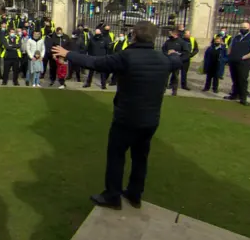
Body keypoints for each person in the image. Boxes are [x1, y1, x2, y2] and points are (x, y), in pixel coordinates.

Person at [51, 21, 182, 209]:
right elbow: (176, 61)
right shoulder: (163, 59)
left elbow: (96, 62)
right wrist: (174, 54)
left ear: (134, 36)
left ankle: (113, 195)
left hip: (127, 118)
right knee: (140, 157)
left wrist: (68, 54)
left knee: (116, 155)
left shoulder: (127, 56)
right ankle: (135, 194)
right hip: (150, 120)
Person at [224, 22, 250, 106]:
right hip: (233, 61)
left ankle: (243, 98)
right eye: (241, 27)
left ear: (249, 28)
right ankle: (234, 94)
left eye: (245, 27)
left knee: (242, 80)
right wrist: (229, 55)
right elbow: (230, 47)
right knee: (235, 79)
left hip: (244, 62)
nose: (243, 29)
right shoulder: (236, 37)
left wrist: (244, 57)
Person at [161, 29, 190, 96]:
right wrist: (167, 53)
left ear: (175, 34)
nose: (169, 34)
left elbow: (186, 53)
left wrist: (177, 53)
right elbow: (163, 50)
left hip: (176, 62)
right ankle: (163, 89)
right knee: (165, 76)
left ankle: (174, 91)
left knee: (175, 76)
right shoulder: (168, 42)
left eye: (171, 33)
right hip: (168, 61)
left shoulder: (182, 42)